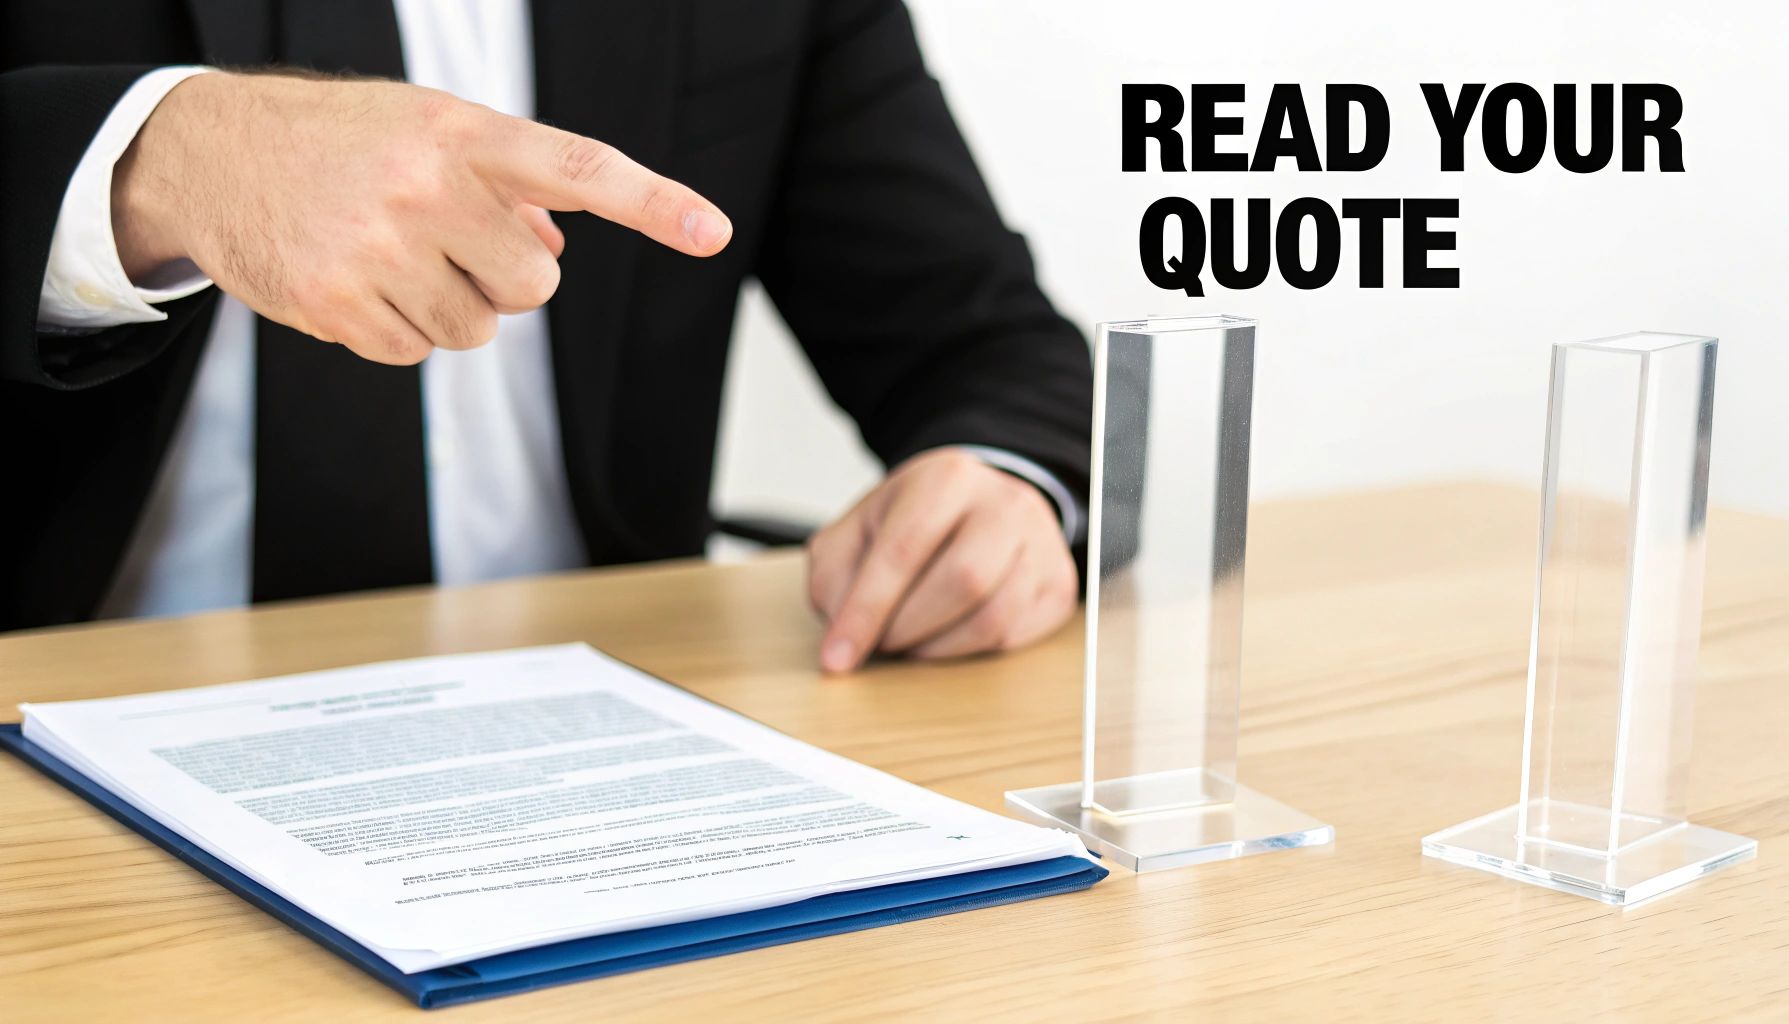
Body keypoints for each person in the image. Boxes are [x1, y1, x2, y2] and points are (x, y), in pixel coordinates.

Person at [0, 0, 1092, 672]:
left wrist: (1005, 483)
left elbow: (985, 343)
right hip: (71, 716)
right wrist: (157, 163)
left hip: (597, 740)